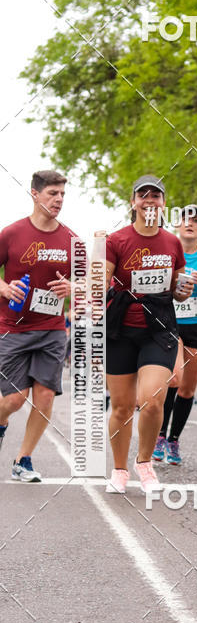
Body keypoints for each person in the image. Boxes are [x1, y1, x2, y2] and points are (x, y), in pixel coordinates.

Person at [103, 175, 193, 494]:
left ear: (163, 204)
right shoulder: (116, 240)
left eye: (156, 196)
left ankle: (144, 463)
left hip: (159, 329)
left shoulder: (172, 243)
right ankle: (118, 470)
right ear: (133, 202)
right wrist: (83, 286)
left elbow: (178, 290)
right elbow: (101, 281)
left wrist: (184, 289)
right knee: (123, 407)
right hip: (121, 330)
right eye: (144, 195)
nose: (150, 200)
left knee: (152, 400)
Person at [0, 170, 78, 482]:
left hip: (53, 328)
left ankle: (24, 460)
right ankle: (2, 422)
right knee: (13, 400)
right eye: (52, 194)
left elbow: (89, 281)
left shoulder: (72, 239)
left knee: (44, 395)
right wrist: (4, 288)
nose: (59, 200)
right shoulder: (12, 234)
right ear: (35, 194)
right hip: (13, 328)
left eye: (62, 194)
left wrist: (73, 287)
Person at [153, 207, 197, 464]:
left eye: (196, 221)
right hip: (171, 324)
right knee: (174, 378)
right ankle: (159, 436)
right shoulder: (168, 254)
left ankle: (173, 440)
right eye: (185, 220)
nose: (190, 225)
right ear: (178, 225)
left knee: (187, 389)